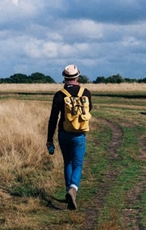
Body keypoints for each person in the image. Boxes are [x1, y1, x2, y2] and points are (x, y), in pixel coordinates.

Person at [46, 64, 93, 210]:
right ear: (77, 76)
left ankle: (68, 191)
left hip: (63, 133)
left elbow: (53, 118)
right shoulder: (86, 93)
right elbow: (89, 109)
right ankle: (73, 188)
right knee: (77, 163)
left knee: (67, 162)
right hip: (79, 134)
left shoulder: (59, 95)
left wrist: (49, 139)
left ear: (65, 78)